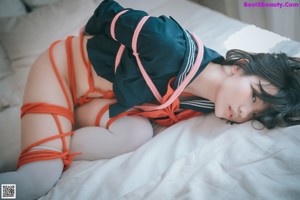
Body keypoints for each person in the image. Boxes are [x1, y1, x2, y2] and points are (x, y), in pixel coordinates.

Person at [1, 0, 300, 199]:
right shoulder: (166, 43)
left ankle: (50, 140)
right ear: (239, 67)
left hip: (96, 97)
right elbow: (107, 13)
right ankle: (17, 179)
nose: (244, 111)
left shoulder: (205, 103)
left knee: (136, 132)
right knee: (38, 179)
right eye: (253, 96)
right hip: (61, 72)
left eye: (253, 113)